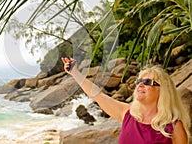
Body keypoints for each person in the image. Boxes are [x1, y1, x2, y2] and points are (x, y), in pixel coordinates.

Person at [61, 57, 190, 144]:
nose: (140, 84)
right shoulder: (128, 114)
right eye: (139, 81)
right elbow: (98, 95)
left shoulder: (173, 127)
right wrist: (75, 72)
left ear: (162, 90)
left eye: (147, 82)